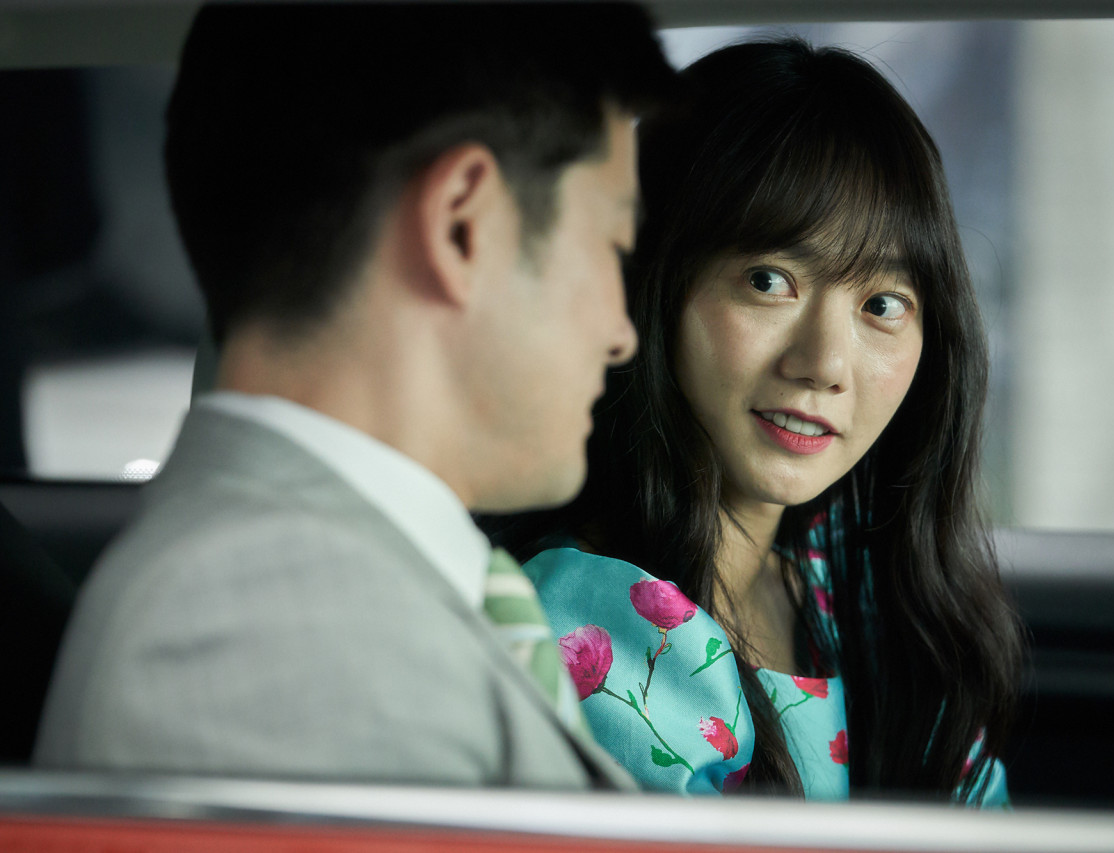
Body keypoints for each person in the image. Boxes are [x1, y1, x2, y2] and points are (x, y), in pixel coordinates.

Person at [34, 2, 673, 790]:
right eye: (611, 245)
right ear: (463, 226)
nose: (621, 332)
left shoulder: (327, 581)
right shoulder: (269, 626)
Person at [489, 40, 1024, 804]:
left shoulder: (862, 597)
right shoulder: (602, 622)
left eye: (882, 304)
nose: (825, 363)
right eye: (769, 281)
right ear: (652, 282)